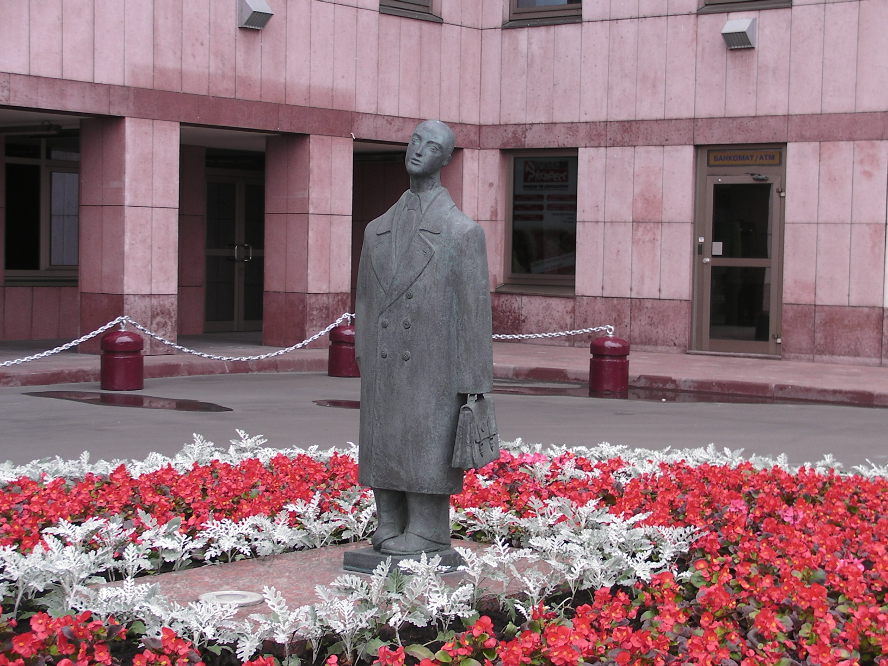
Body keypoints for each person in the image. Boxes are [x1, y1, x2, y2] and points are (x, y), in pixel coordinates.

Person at [354, 120, 493, 556]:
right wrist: (364, 355)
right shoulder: (376, 229)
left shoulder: (461, 232)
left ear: (446, 159)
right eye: (415, 141)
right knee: (386, 437)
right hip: (383, 362)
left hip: (434, 367)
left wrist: (474, 385)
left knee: (424, 441)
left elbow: (474, 315)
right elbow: (366, 300)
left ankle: (429, 529)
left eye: (431, 146)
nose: (418, 150)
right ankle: (389, 519)